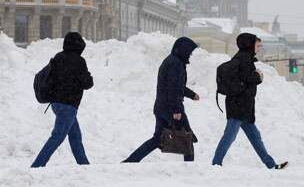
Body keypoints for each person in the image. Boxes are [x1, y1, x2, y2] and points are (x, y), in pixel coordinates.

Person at [212, 33, 288, 169]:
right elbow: (247, 78)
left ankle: (271, 165)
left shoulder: (243, 58)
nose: (259, 48)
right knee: (229, 137)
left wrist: (256, 77)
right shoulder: (244, 59)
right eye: (257, 45)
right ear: (250, 45)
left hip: (243, 107)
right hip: (238, 107)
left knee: (255, 137)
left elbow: (245, 80)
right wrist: (258, 76)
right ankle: (215, 164)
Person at [123, 37, 200, 163]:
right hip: (171, 108)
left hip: (161, 107)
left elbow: (175, 86)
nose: (190, 55)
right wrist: (176, 110)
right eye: (189, 52)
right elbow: (173, 88)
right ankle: (190, 168)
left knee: (157, 139)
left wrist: (191, 94)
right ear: (183, 50)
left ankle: (130, 161)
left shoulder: (172, 61)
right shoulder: (175, 64)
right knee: (187, 137)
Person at [31, 32, 94, 168]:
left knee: (75, 135)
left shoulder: (58, 57)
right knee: (57, 137)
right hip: (68, 104)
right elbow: (87, 83)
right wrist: (88, 76)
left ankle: (84, 165)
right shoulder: (79, 61)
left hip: (56, 103)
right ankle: (37, 165)